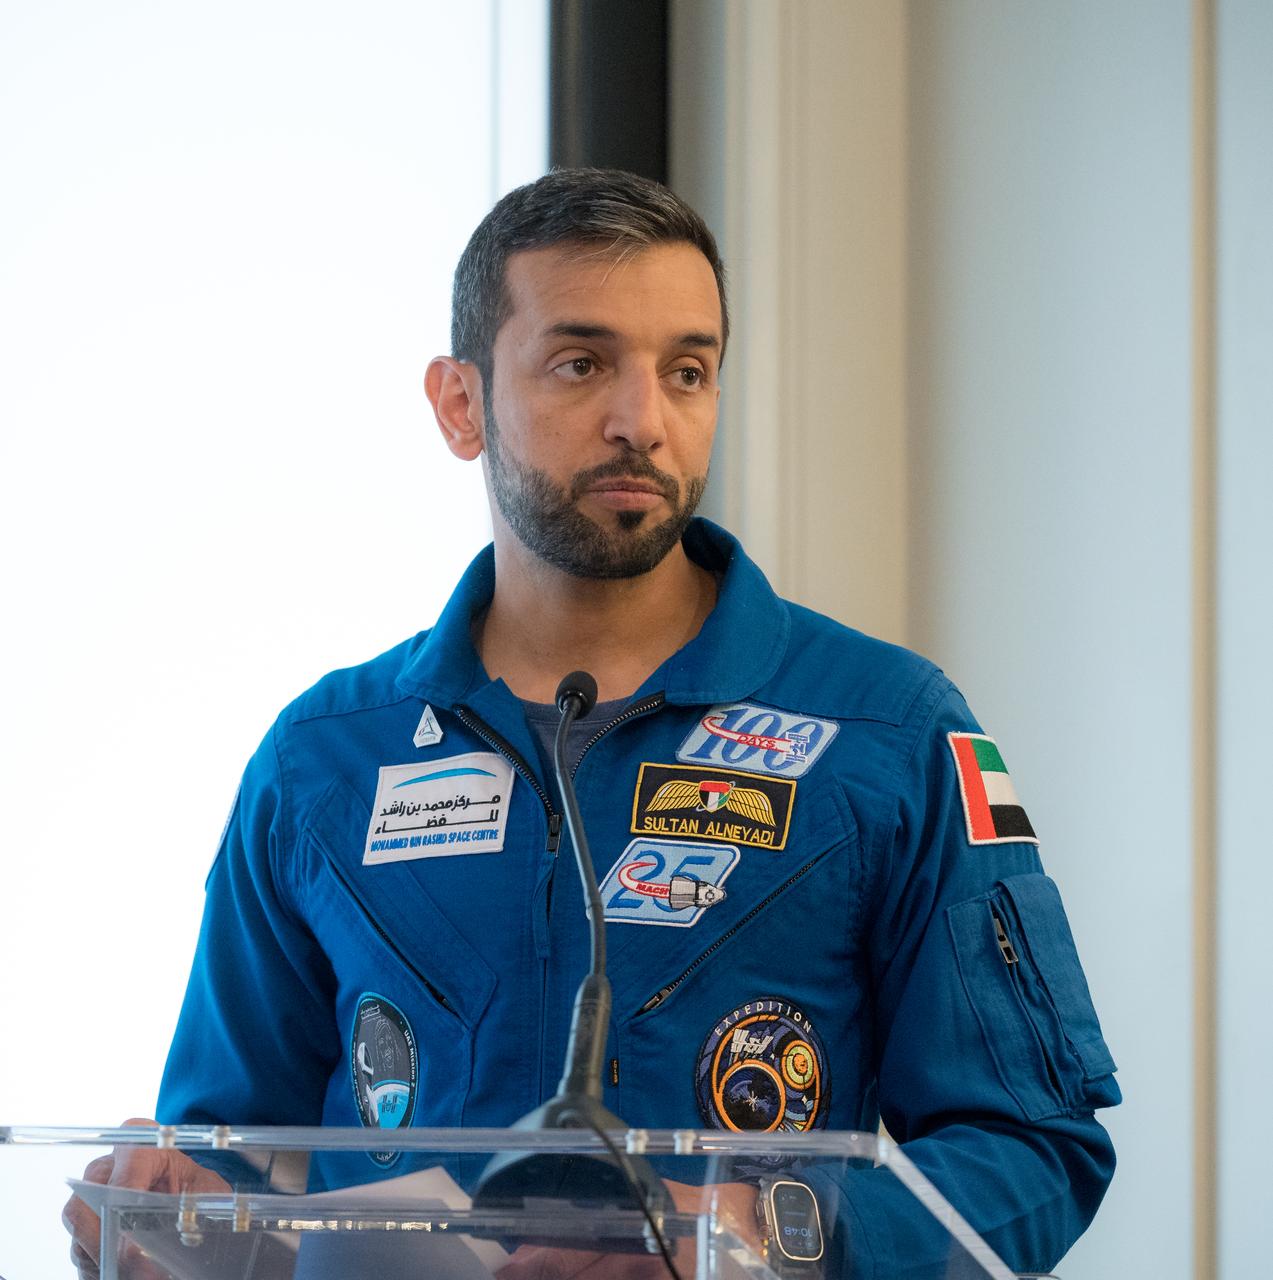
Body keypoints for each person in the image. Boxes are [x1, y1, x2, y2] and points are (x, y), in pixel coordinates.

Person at [65, 168, 1119, 1278]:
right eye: (581, 363)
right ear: (460, 403)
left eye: (687, 370)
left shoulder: (889, 730)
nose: (641, 421)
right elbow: (235, 1163)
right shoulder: (322, 759)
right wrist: (161, 1216)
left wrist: (764, 1232)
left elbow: (1035, 1151)